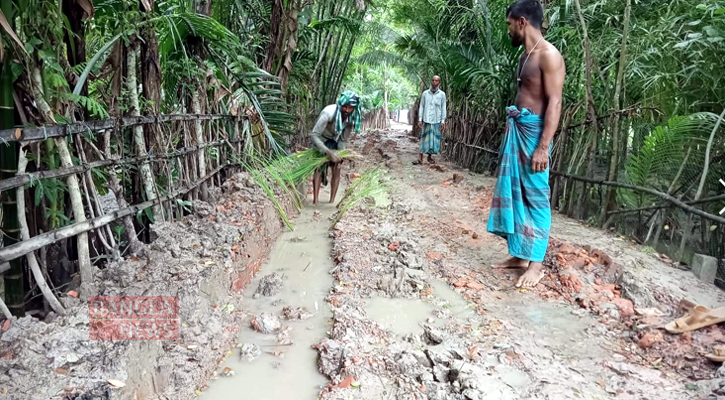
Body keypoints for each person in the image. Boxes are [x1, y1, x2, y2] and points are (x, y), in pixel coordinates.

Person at [487, 0, 565, 288]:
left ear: (522, 22)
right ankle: (520, 255)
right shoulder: (524, 56)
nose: (508, 31)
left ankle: (536, 264)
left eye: (509, 25)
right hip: (518, 130)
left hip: (534, 136)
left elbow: (555, 103)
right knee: (517, 194)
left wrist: (543, 146)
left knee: (536, 197)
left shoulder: (549, 55)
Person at [310, 90, 362, 205]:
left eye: (350, 108)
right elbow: (314, 135)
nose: (347, 110)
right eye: (345, 107)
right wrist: (328, 152)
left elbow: (343, 139)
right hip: (322, 140)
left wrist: (341, 153)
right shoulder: (328, 113)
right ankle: (316, 201)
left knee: (337, 168)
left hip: (335, 141)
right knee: (318, 167)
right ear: (340, 105)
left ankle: (332, 201)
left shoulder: (351, 118)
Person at [414, 76, 447, 165]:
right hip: (426, 119)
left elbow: (443, 108)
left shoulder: (442, 94)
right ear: (431, 81)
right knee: (423, 138)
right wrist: (420, 119)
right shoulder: (425, 93)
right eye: (433, 80)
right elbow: (422, 106)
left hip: (436, 120)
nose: (434, 82)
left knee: (433, 140)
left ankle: (429, 157)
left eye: (436, 81)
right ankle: (420, 159)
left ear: (439, 82)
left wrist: (443, 121)